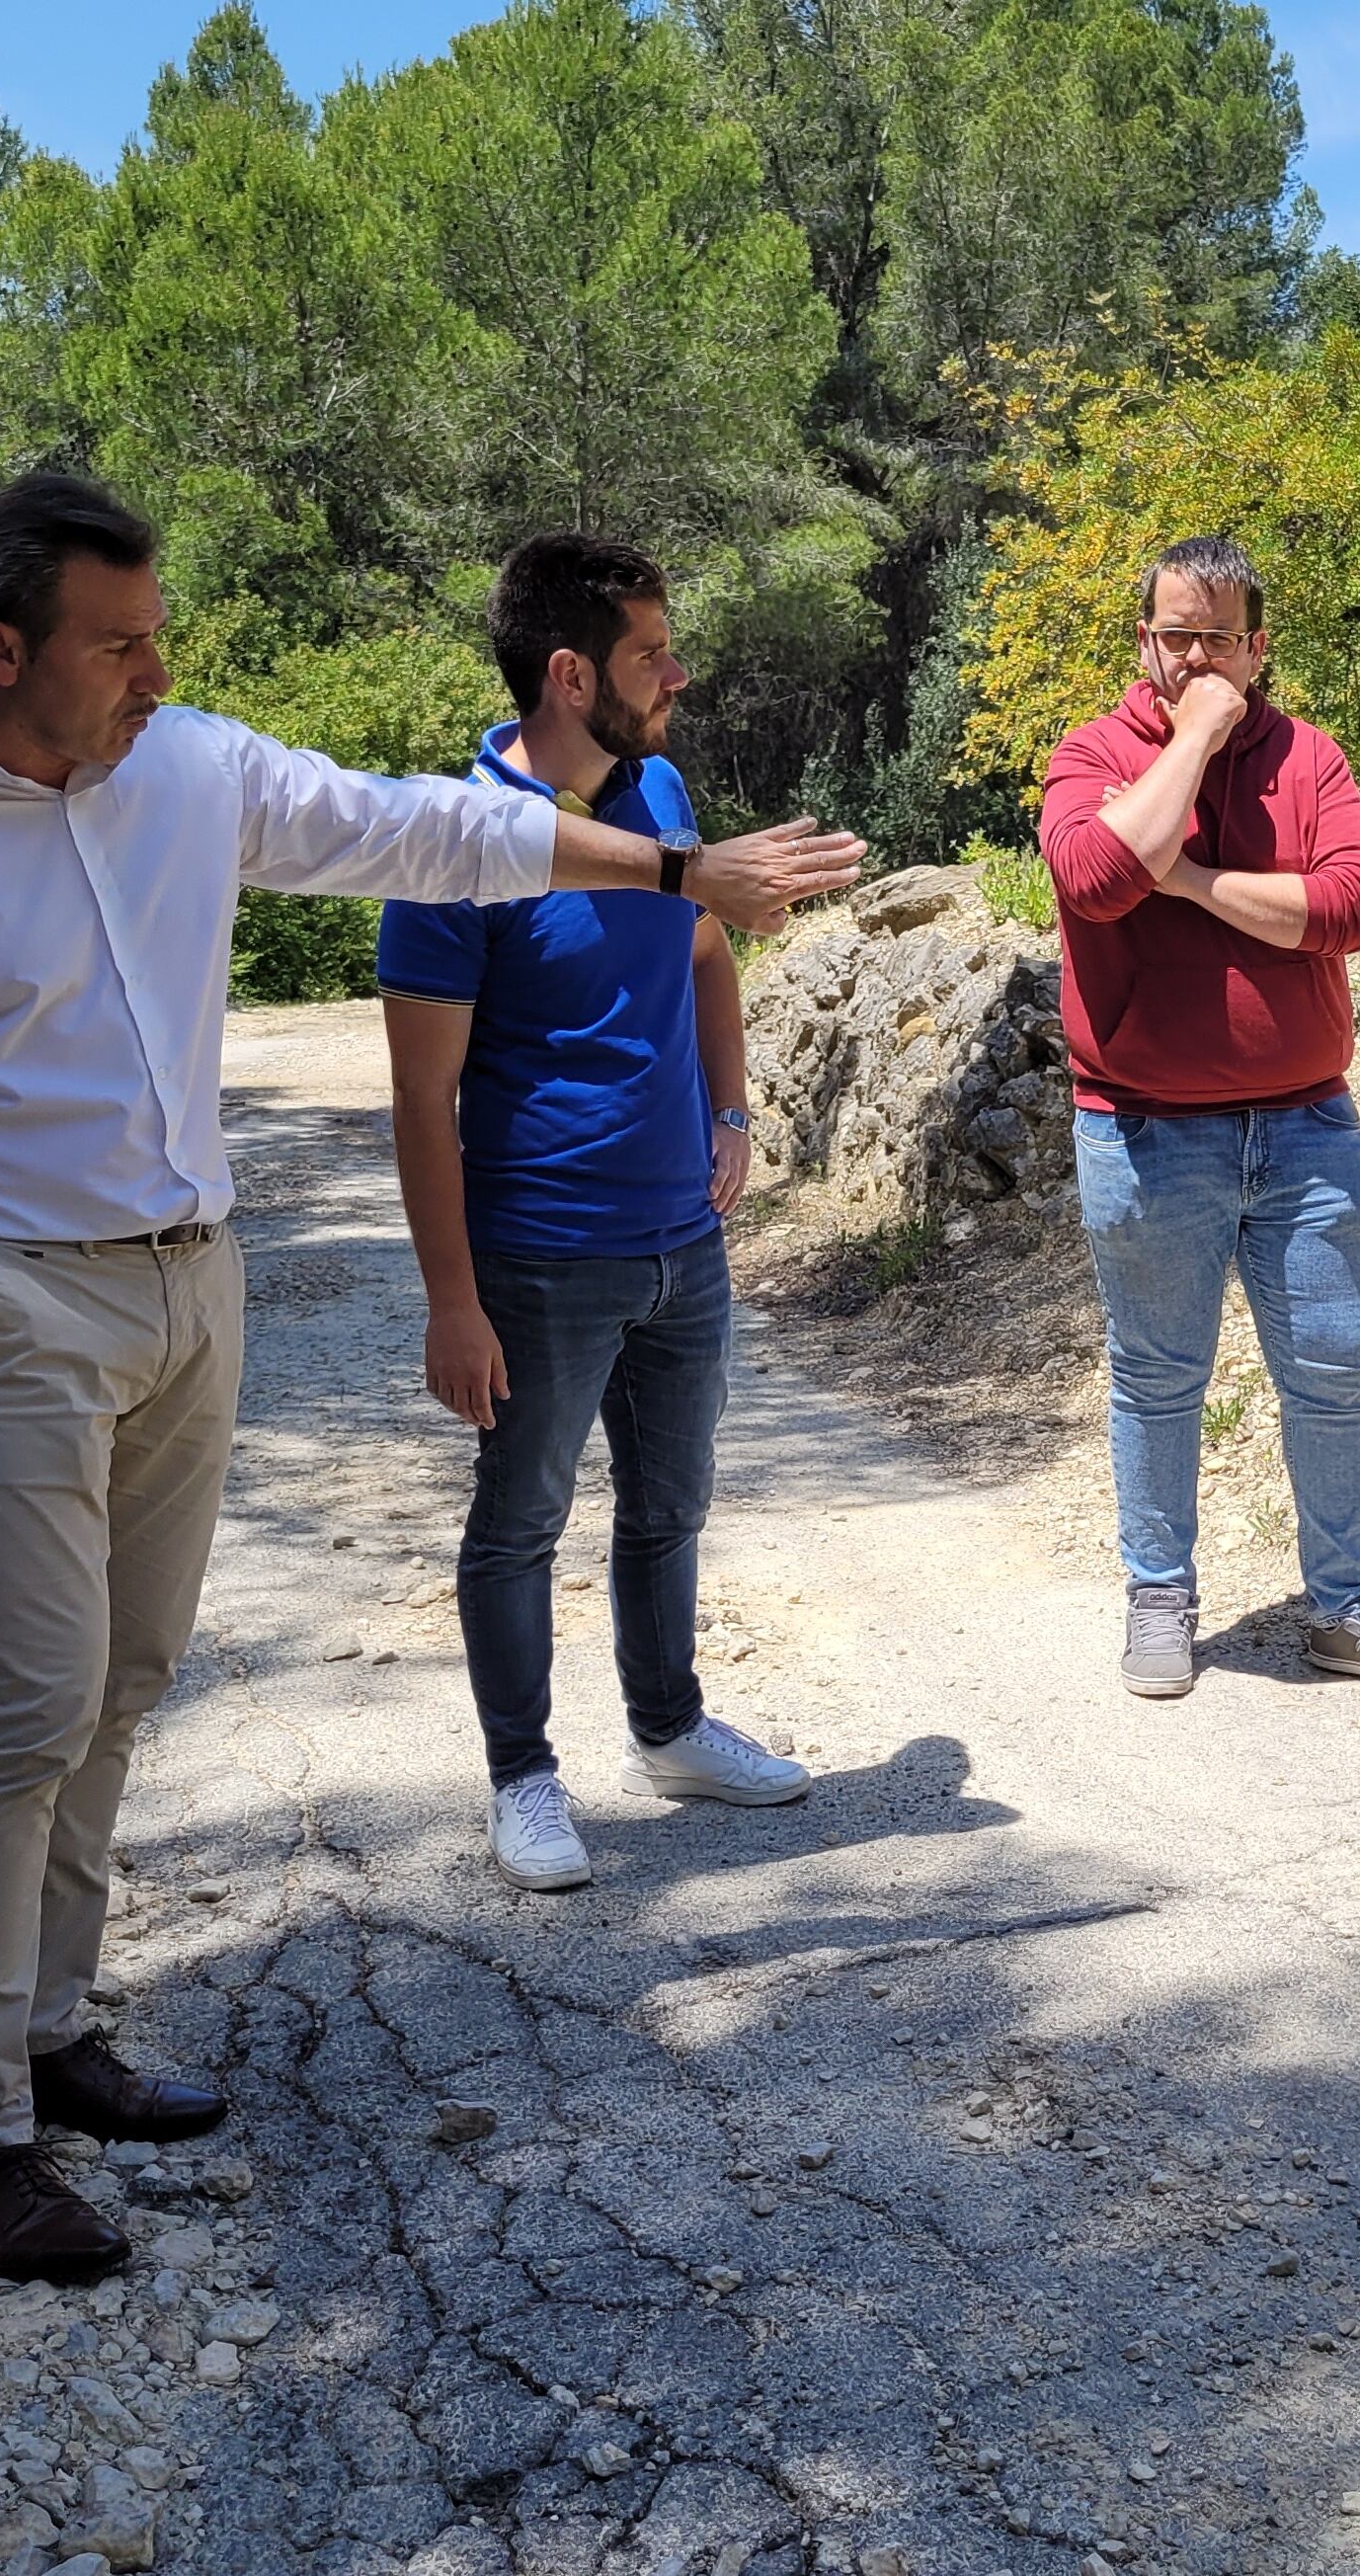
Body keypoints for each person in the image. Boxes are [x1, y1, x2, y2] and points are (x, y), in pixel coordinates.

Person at [0, 478, 859, 2275]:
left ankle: (53, 2026)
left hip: (188, 1280)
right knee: (26, 1701)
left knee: (128, 1673)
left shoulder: (185, 765)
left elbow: (430, 828)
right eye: (120, 639)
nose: (158, 668)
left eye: (159, 631)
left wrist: (670, 868)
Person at [379, 534, 834, 1892]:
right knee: (519, 1520)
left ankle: (672, 1728)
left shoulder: (658, 790)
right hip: (538, 1252)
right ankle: (524, 1778)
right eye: (652, 652)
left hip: (679, 1247)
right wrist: (452, 1301)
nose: (678, 673)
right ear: (571, 674)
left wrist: (734, 1110)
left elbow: (703, 950)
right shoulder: (454, 847)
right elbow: (420, 1098)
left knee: (670, 1503)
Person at [1035, 533, 1360, 1702]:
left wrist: (1190, 880)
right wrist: (1193, 740)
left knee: (1330, 1373)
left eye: (1221, 638)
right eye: (1177, 635)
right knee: (1156, 1378)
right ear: (1143, 642)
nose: (1198, 657)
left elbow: (1354, 906)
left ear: (1259, 647)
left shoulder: (1309, 757)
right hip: (1143, 1128)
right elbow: (1096, 880)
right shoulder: (1086, 756)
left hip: (1308, 1128)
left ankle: (1345, 1610)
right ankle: (1159, 1598)